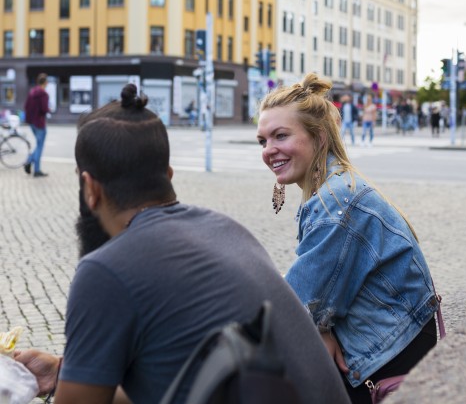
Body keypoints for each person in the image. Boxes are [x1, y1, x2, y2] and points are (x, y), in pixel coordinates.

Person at [14, 84, 350, 404]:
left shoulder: (104, 270)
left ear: (90, 188)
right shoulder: (227, 229)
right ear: (169, 175)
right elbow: (166, 389)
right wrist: (64, 373)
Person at [256, 74, 441, 404]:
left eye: (280, 136)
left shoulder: (336, 203)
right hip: (396, 339)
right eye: (263, 141)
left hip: (388, 353)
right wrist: (322, 327)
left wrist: (317, 324)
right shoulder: (336, 187)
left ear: (319, 137)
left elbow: (299, 307)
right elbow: (318, 287)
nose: (269, 150)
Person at [24, 73, 50, 177]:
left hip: (32, 123)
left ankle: (31, 163)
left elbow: (26, 106)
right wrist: (48, 109)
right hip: (40, 123)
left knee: (38, 145)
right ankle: (35, 169)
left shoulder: (32, 92)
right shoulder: (44, 94)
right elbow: (44, 109)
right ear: (45, 82)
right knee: (39, 146)